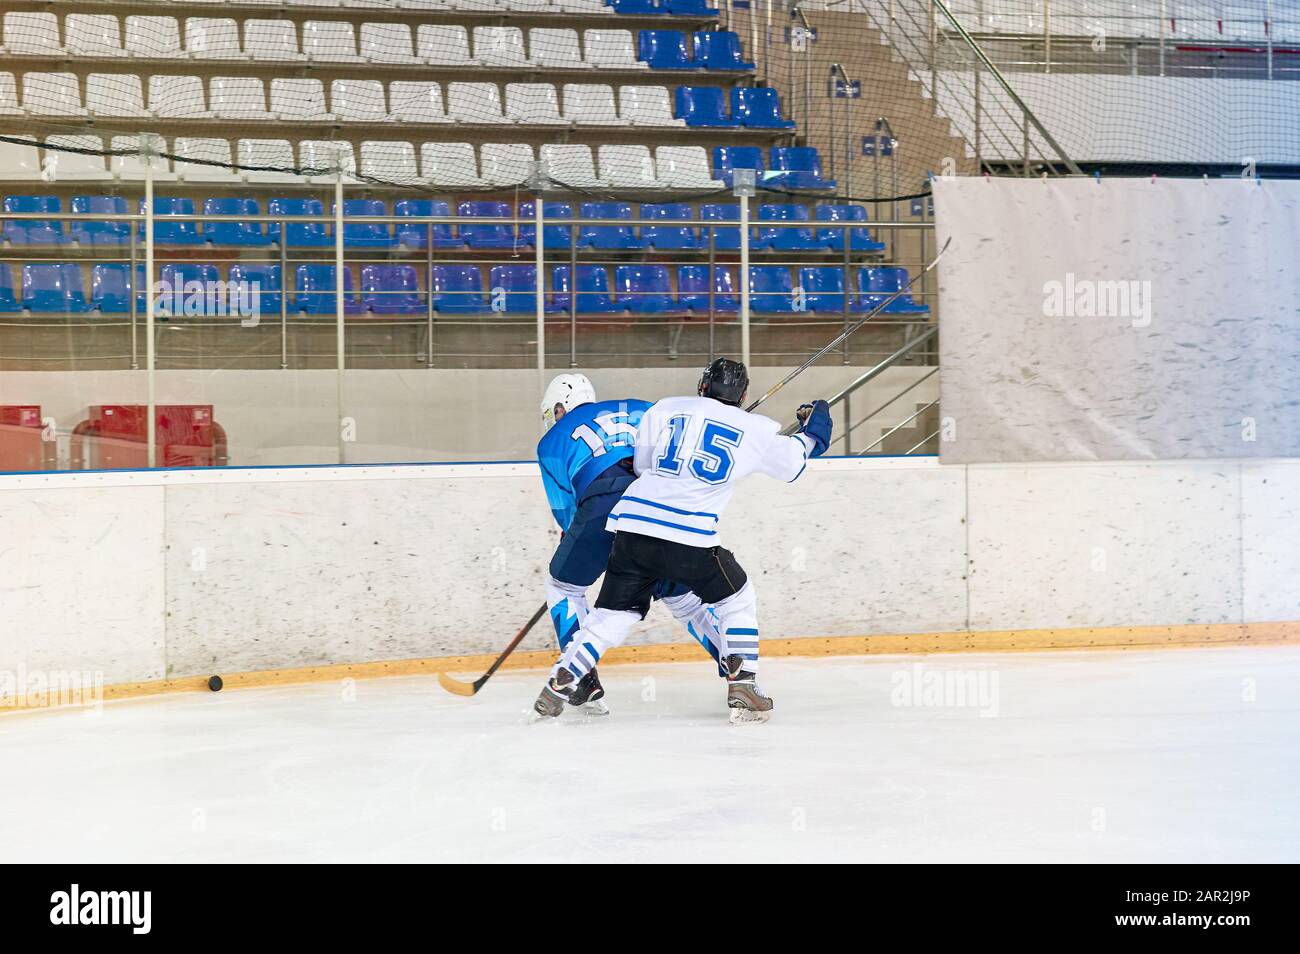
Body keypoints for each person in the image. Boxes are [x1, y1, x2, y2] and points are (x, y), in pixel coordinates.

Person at [533, 359, 832, 724]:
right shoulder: (748, 427)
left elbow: (642, 466)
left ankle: (571, 677)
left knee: (602, 608)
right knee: (728, 598)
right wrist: (814, 428)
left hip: (631, 520)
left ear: (702, 387)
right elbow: (795, 461)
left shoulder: (665, 408)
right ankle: (741, 678)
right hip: (686, 534)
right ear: (744, 396)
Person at [536, 373, 726, 715]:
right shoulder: (642, 407)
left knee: (563, 584)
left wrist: (590, 540)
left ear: (561, 408)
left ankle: (582, 679)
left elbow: (567, 515)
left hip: (602, 503)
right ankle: (737, 668)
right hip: (659, 505)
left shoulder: (550, 442)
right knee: (682, 596)